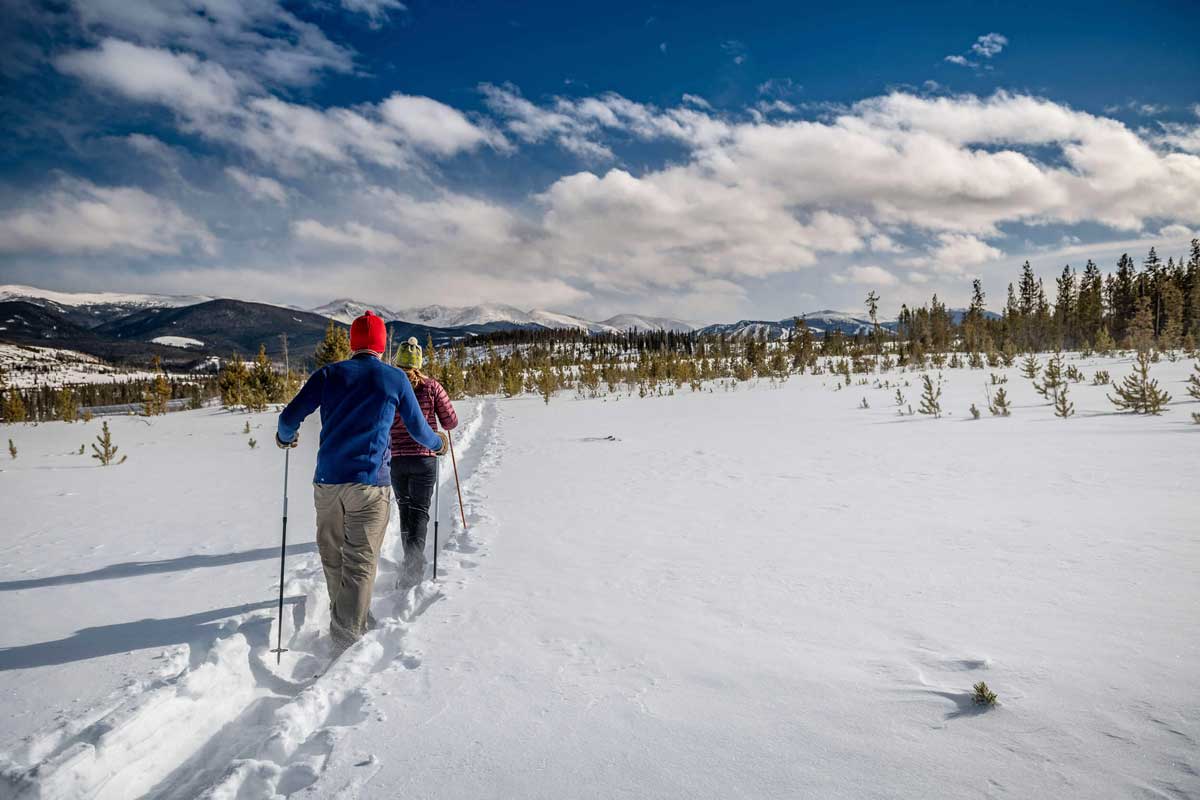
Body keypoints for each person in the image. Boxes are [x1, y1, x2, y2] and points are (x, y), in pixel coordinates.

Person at [276, 312, 449, 654]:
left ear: (354, 343)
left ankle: (350, 620)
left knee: (333, 555)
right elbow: (418, 429)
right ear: (382, 345)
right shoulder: (394, 378)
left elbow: (287, 418)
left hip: (326, 482)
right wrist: (437, 444)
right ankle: (346, 639)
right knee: (359, 561)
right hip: (370, 485)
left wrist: (286, 438)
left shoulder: (328, 374)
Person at [390, 336, 459, 586]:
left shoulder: (392, 387)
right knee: (419, 512)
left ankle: (409, 564)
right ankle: (413, 568)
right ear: (419, 362)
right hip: (424, 458)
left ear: (398, 361)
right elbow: (451, 421)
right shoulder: (432, 387)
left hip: (396, 459)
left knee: (405, 511)